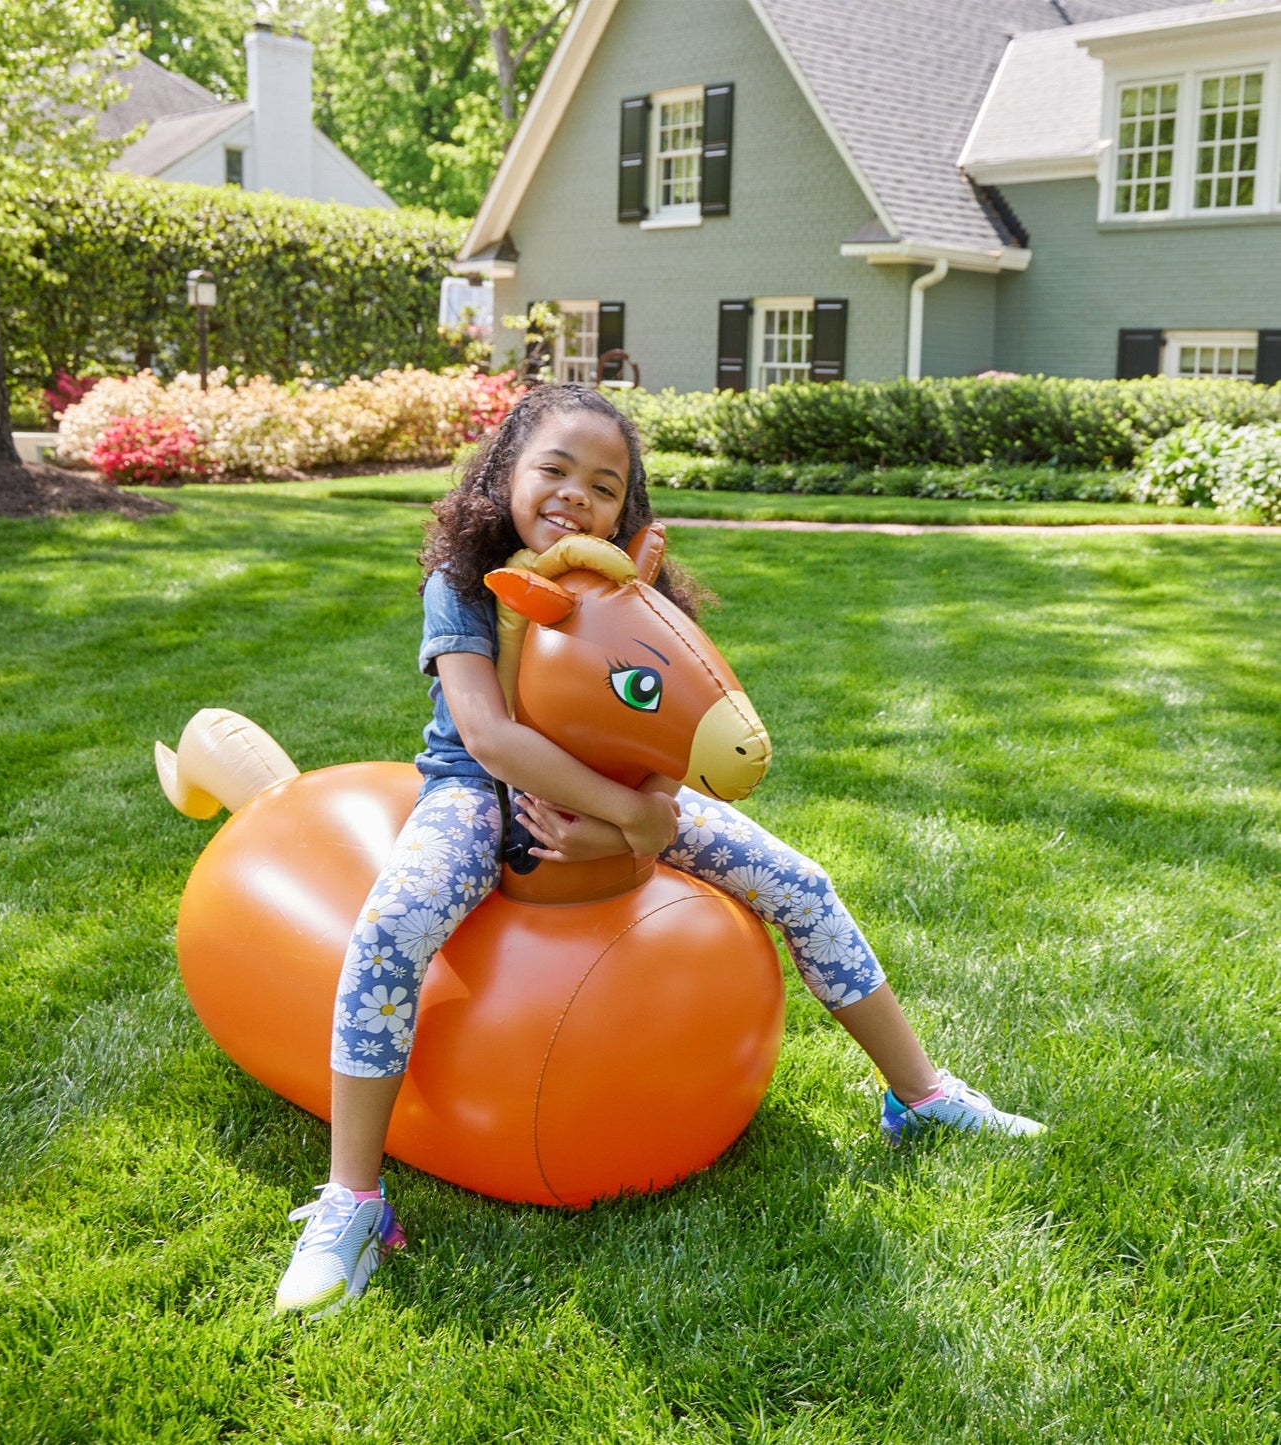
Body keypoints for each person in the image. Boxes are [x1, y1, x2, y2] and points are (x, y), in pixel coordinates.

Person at [274, 383, 1044, 1317]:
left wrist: (642, 811)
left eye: (604, 483)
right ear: (503, 473)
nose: (574, 495)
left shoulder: (618, 583)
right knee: (392, 926)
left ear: (626, 506)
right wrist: (630, 821)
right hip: (481, 792)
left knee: (800, 883)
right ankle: (353, 1198)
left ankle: (918, 1095)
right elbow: (489, 735)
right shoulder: (462, 582)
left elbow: (655, 723)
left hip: (627, 800)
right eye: (553, 469)